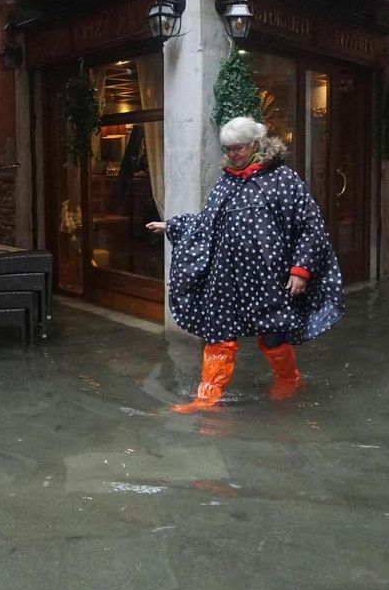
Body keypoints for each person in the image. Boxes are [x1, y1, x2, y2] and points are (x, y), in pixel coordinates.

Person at [146, 116, 344, 412]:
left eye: (237, 148)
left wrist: (300, 270)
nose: (231, 154)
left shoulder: (283, 179)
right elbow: (205, 225)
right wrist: (171, 225)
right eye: (227, 148)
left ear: (255, 144)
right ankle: (206, 397)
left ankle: (289, 379)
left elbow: (309, 226)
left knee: (274, 333)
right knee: (218, 335)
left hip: (270, 278)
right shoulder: (225, 182)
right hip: (226, 279)